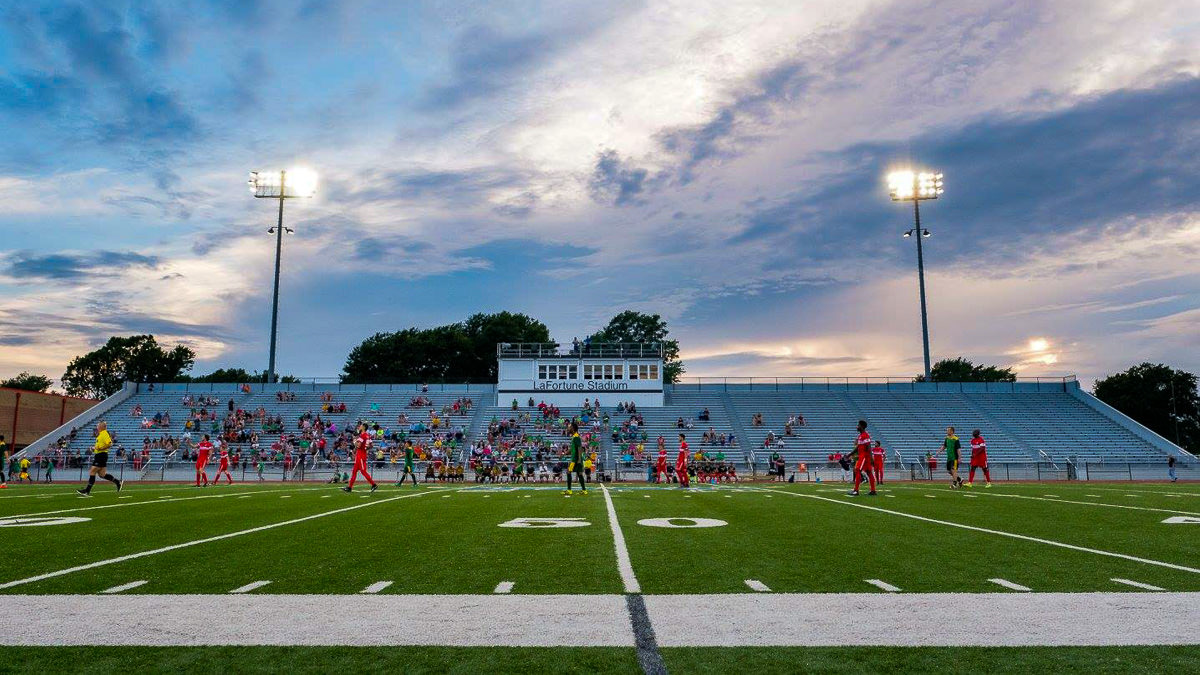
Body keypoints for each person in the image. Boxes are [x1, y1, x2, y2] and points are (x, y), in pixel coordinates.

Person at [77, 421, 123, 497]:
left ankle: (87, 491)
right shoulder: (101, 434)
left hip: (101, 455)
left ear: (101, 427)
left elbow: (109, 443)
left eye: (98, 426)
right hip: (100, 455)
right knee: (102, 475)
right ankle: (117, 482)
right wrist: (94, 448)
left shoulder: (104, 433)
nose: (97, 427)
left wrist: (100, 448)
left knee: (92, 471)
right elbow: (100, 446)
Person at [343, 424, 379, 493]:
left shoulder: (363, 435)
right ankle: (349, 487)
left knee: (363, 471)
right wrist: (365, 448)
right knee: (354, 472)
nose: (359, 427)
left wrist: (354, 441)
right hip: (361, 455)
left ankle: (373, 484)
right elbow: (371, 445)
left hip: (361, 456)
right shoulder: (367, 435)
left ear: (364, 427)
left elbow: (358, 446)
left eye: (361, 426)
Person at [847, 420, 877, 497]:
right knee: (869, 472)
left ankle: (856, 490)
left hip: (864, 456)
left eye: (858, 425)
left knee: (857, 470)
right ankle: (873, 490)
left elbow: (869, 447)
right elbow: (858, 447)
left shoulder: (865, 435)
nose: (857, 427)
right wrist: (850, 454)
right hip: (863, 456)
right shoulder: (860, 436)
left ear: (862, 426)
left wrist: (871, 458)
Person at [564, 421, 587, 496]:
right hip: (576, 458)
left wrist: (579, 460)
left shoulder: (576, 437)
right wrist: (565, 453)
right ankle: (584, 490)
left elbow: (579, 448)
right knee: (579, 473)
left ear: (573, 428)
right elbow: (572, 448)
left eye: (570, 427)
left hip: (575, 459)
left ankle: (569, 490)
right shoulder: (574, 437)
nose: (568, 428)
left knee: (568, 472)